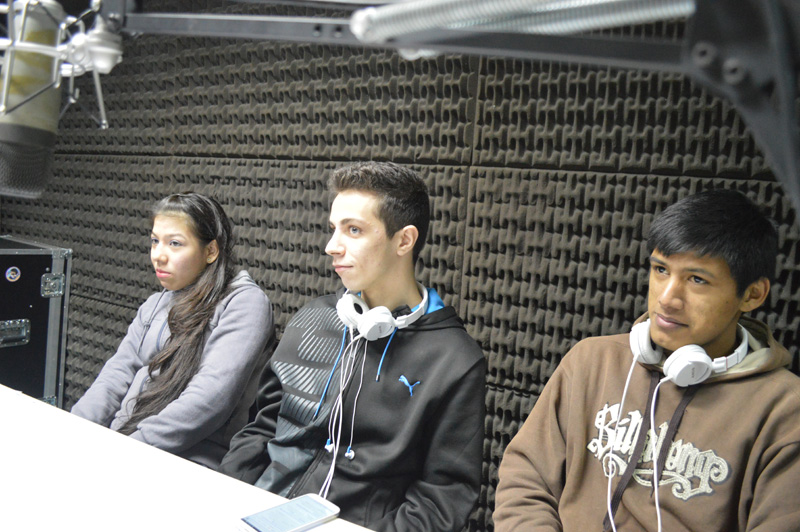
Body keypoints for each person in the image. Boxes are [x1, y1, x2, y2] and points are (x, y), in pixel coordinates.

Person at [494, 189, 800, 532]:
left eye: (697, 279)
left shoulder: (786, 412)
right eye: (661, 269)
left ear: (752, 294)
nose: (667, 298)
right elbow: (526, 477)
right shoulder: (591, 362)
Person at [218, 162, 486, 532]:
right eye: (334, 229)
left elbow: (442, 498)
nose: (332, 246)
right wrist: (225, 502)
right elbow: (260, 429)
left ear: (404, 241)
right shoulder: (313, 319)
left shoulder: (454, 360)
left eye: (353, 230)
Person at [72, 192, 274, 469]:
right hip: (123, 444)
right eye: (155, 241)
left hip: (186, 460)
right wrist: (74, 430)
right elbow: (116, 374)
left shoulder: (245, 303)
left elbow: (209, 400)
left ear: (211, 251)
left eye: (175, 243)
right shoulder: (154, 304)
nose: (158, 255)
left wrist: (127, 449)